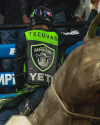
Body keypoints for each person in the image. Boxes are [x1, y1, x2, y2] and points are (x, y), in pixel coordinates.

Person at [0, 1, 99, 124]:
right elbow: (86, 30)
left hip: (32, 93)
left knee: (2, 119)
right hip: (53, 93)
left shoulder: (23, 39)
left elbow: (18, 72)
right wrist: (94, 7)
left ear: (33, 21)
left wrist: (21, 90)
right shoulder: (59, 37)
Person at [0, 0, 27, 94]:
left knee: (26, 60)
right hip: (8, 24)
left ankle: (24, 92)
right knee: (7, 62)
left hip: (26, 24)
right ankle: (9, 94)